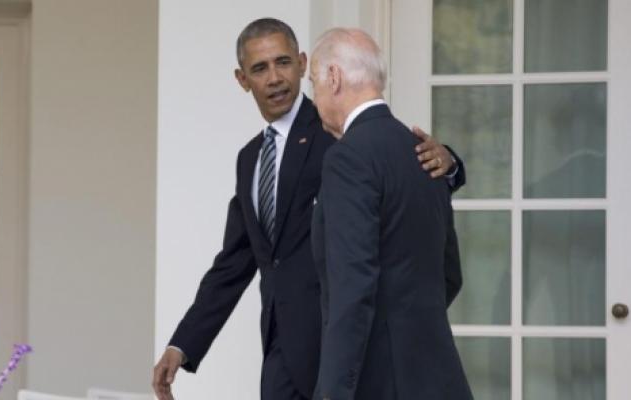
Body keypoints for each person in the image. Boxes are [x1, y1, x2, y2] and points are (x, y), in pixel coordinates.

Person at [152, 18, 466, 400]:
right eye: (260, 68)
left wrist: (451, 165)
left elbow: (395, 174)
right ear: (242, 79)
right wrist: (182, 344)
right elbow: (235, 261)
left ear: (303, 64)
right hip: (281, 358)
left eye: (283, 62)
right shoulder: (249, 159)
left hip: (342, 356)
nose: (275, 78)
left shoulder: (340, 135)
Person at [309, 28, 473, 400]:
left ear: (334, 77)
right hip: (438, 379)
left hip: (379, 383)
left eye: (313, 82)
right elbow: (449, 274)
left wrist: (333, 392)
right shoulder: (426, 153)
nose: (314, 97)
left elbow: (352, 286)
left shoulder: (348, 158)